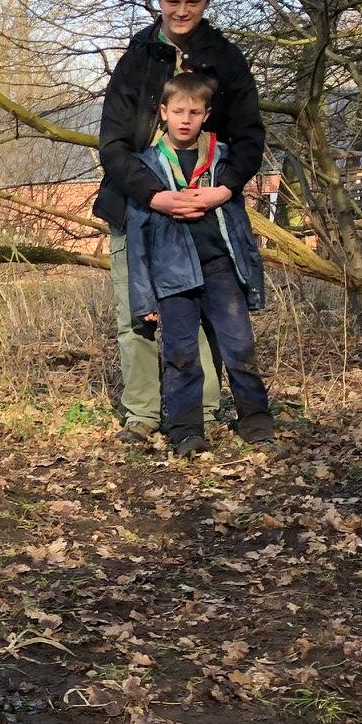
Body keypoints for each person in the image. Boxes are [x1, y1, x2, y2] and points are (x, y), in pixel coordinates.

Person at [94, 0, 266, 442]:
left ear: (206, 1)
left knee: (209, 319)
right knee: (139, 316)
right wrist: (155, 197)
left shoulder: (226, 60)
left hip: (207, 209)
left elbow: (249, 137)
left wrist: (224, 189)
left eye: (193, 1)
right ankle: (143, 416)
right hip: (138, 205)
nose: (182, 11)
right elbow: (112, 145)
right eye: (173, 0)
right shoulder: (136, 61)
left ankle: (202, 416)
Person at [126, 71, 273, 456]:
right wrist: (145, 301)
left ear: (206, 114)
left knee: (240, 349)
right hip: (172, 278)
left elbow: (241, 227)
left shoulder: (224, 160)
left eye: (194, 111)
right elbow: (137, 240)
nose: (185, 119)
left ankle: (257, 425)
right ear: (163, 112)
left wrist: (250, 276)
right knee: (180, 356)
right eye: (178, 111)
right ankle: (186, 432)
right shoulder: (147, 167)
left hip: (221, 271)